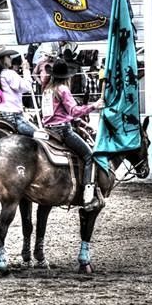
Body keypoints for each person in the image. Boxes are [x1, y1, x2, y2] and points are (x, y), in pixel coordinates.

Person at [41, 60, 104, 210]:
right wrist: (94, 106)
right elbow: (74, 111)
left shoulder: (47, 90)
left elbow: (60, 113)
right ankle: (88, 197)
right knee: (90, 156)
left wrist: (79, 122)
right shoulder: (62, 89)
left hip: (48, 130)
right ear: (66, 76)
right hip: (63, 131)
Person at [0, 46, 36, 136]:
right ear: (2, 59)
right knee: (40, 136)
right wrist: (26, 70)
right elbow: (26, 87)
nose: (10, 59)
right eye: (8, 56)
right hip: (13, 117)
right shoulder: (9, 74)